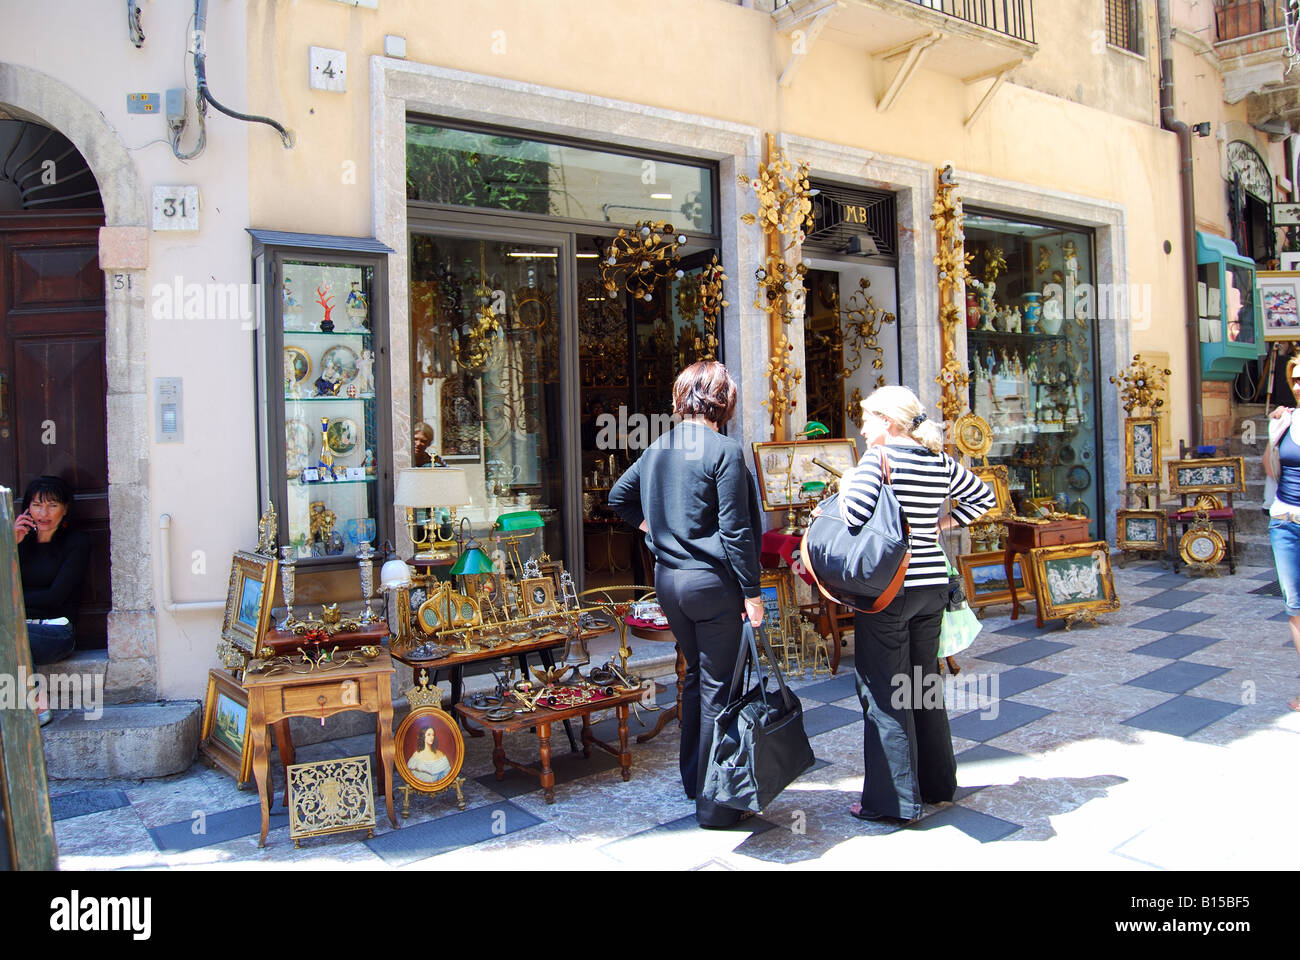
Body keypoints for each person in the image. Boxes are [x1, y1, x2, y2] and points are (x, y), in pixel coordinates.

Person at [608, 360, 765, 829]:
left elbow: (618, 496)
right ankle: (717, 803)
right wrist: (753, 592)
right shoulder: (724, 450)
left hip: (669, 582)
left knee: (696, 677)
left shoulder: (658, 447)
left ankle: (695, 780)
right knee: (719, 686)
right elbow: (736, 531)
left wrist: (655, 530)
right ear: (724, 401)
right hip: (712, 583)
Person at [839, 386, 995, 823]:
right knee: (925, 685)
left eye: (868, 418)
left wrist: (847, 483)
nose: (864, 427)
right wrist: (935, 523)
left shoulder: (879, 460)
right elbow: (984, 499)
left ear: (889, 421)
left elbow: (853, 518)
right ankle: (937, 784)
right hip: (931, 588)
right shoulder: (938, 461)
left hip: (889, 590)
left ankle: (892, 802)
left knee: (885, 693)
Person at [14, 476, 91, 725]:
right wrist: (9, 544)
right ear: (27, 508)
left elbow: (55, 597)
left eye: (52, 505)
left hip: (57, 632)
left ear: (65, 509)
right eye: (37, 505)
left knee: (11, 636)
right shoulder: (19, 541)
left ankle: (38, 709)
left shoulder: (77, 543)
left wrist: (11, 603)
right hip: (20, 626)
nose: (43, 513)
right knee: (12, 636)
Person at [1264, 356, 1300, 712]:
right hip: (1284, 522)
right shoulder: (1287, 421)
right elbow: (1270, 468)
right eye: (1297, 379)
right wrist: (1274, 434)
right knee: (1295, 609)